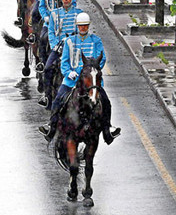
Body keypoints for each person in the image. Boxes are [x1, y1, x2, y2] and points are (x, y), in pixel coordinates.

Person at [39, 13, 121, 144]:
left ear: (88, 26)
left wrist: (92, 70)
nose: (83, 28)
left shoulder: (96, 40)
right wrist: (68, 72)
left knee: (106, 102)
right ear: (77, 26)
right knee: (58, 100)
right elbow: (64, 61)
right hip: (72, 80)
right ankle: (51, 128)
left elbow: (102, 58)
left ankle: (108, 129)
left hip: (91, 81)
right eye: (80, 26)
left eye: (85, 26)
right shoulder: (69, 41)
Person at [39, 0, 80, 108]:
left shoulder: (79, 14)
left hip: (74, 49)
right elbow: (51, 32)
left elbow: (81, 32)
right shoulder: (54, 14)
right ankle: (47, 96)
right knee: (47, 69)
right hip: (59, 47)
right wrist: (55, 45)